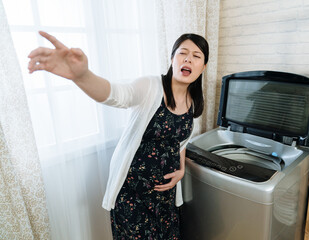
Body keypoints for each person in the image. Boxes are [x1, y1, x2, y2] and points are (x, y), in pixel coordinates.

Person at [28, 31, 209, 239]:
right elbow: (117, 95)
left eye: (196, 56)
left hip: (164, 197)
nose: (188, 58)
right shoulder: (150, 86)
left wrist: (181, 169)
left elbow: (180, 142)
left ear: (203, 67)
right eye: (182, 53)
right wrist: (82, 76)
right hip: (132, 196)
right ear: (172, 59)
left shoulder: (193, 102)